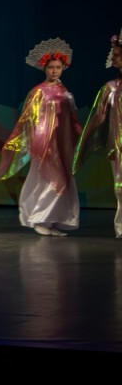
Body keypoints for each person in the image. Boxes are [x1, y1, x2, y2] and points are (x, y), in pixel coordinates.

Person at [0, 38, 81, 236]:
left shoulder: (66, 92)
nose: (54, 71)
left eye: (58, 67)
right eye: (51, 67)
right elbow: (28, 119)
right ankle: (39, 217)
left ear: (63, 68)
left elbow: (73, 118)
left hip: (61, 142)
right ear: (44, 68)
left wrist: (80, 136)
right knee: (45, 177)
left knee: (62, 178)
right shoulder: (38, 91)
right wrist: (33, 140)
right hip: (43, 140)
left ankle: (52, 219)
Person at [74, 33, 122, 237]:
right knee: (120, 188)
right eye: (113, 55)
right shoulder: (110, 88)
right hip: (119, 145)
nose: (113, 58)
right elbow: (98, 118)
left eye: (117, 55)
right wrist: (83, 141)